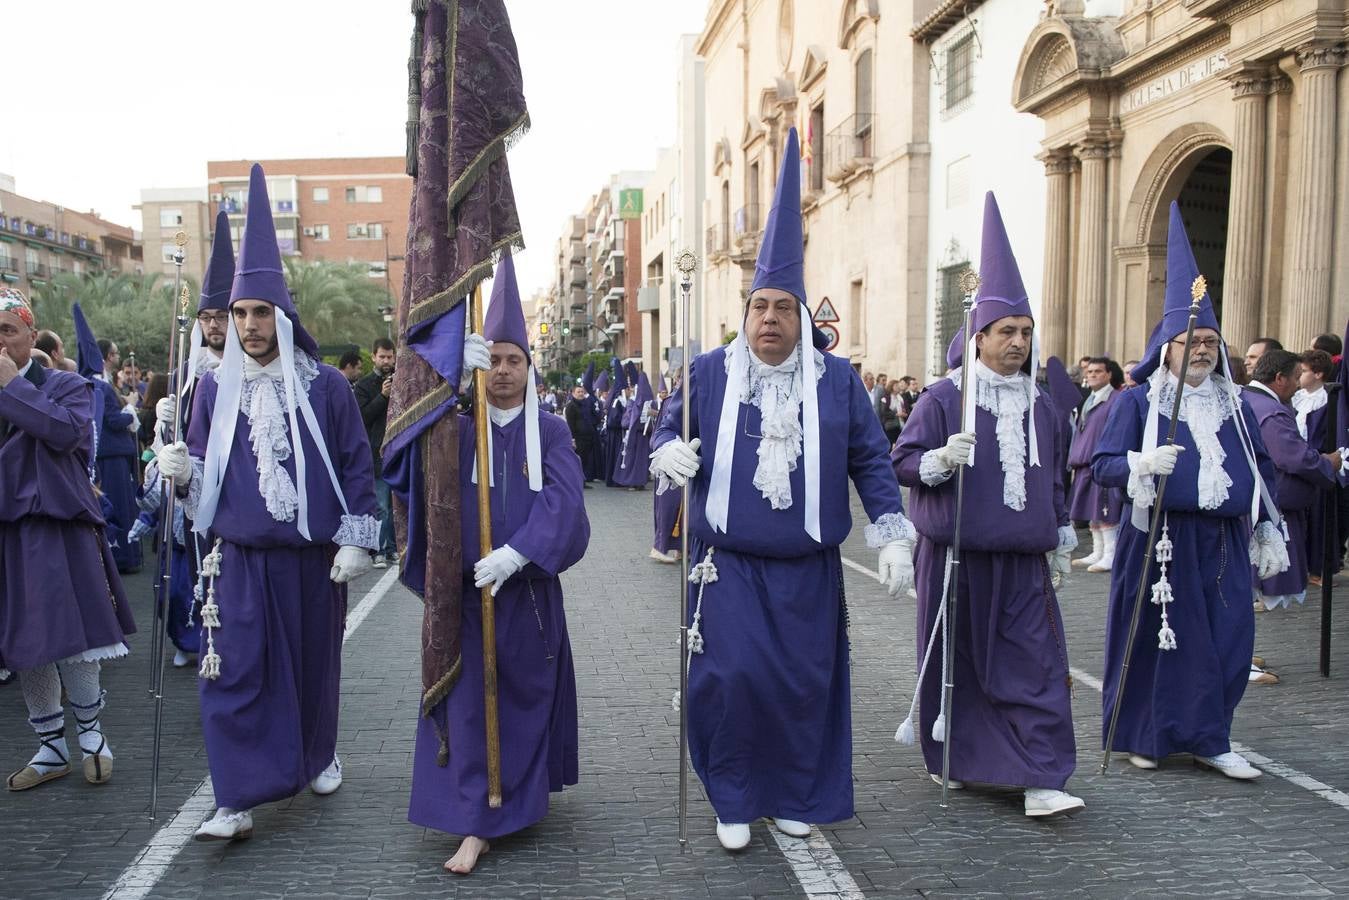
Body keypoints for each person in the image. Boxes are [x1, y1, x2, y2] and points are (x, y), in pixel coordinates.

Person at [651, 128, 915, 850]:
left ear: (803, 318)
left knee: (803, 690)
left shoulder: (837, 382)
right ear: (745, 314)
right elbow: (660, 434)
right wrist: (666, 451)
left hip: (808, 572)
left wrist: (891, 533)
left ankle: (795, 793)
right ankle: (734, 799)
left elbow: (870, 459)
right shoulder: (707, 373)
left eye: (782, 309)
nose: (768, 320)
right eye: (759, 307)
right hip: (726, 567)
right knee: (729, 686)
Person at [155, 164, 379, 840]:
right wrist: (176, 470)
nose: (247, 325)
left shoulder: (326, 387)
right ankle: (236, 798)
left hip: (311, 561)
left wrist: (356, 537)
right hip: (238, 562)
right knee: (233, 674)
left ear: (282, 316)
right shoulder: (212, 391)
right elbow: (199, 469)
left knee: (311, 669)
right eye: (238, 314)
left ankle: (319, 751)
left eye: (259, 313)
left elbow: (354, 464)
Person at [892, 192, 1082, 819]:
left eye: (1026, 333)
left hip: (1023, 566)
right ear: (979, 336)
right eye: (1007, 332)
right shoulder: (943, 399)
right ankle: (964, 761)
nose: (1019, 343)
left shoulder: (1044, 405)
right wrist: (939, 461)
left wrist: (1060, 533)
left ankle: (1042, 775)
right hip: (957, 560)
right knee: (960, 667)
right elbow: (904, 461)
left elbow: (1053, 476)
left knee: (1036, 667)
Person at [405, 253, 587, 875]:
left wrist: (516, 553)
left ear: (529, 368)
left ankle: (512, 800)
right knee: (468, 703)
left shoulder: (553, 431)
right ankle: (476, 820)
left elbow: (565, 504)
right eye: (495, 359)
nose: (504, 371)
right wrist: (452, 384)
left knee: (523, 700)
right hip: (465, 597)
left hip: (526, 596)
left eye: (514, 360)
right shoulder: (456, 429)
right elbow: (413, 476)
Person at [1093, 202, 1286, 781]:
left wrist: (1270, 525)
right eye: (1189, 340)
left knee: (1227, 641)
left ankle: (1211, 738)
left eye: (1209, 340)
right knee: (1165, 646)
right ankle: (1149, 736)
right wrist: (1141, 461)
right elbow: (1102, 464)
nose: (1201, 349)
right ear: (1166, 349)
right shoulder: (1136, 403)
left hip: (1224, 540)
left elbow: (1262, 469)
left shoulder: (1237, 405)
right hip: (1160, 540)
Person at [0, 287, 136, 790]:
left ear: (30, 336)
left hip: (60, 527)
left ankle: (93, 736)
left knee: (74, 636)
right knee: (26, 640)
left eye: (7, 332)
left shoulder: (68, 384)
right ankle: (50, 746)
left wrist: (14, 388)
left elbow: (66, 435)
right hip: (9, 530)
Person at [1247, 350, 1339, 615]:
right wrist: (1327, 464)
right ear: (1279, 378)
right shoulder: (1270, 411)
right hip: (1267, 508)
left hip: (1256, 504)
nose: (1299, 384)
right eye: (1296, 377)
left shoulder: (1249, 399)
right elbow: (1294, 457)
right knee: (1255, 582)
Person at [1069, 358, 1125, 572]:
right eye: (1089, 371)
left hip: (1102, 461)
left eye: (1097, 371)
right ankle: (1098, 551)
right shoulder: (1090, 399)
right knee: (1092, 510)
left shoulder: (1117, 398)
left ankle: (1111, 554)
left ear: (1109, 374)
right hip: (1085, 462)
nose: (1091, 375)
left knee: (1106, 510)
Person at [91, 339, 142, 574]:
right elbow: (112, 419)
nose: (117, 357)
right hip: (111, 455)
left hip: (110, 453)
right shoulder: (100, 384)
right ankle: (122, 557)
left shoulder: (103, 383)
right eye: (114, 354)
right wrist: (130, 411)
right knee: (119, 507)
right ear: (106, 357)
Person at [1295, 349, 1343, 586]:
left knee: (1319, 518)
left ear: (1318, 373)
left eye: (1303, 371)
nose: (1299, 376)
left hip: (1318, 461)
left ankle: (1319, 568)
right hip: (1299, 463)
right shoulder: (1298, 398)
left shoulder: (1328, 399)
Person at [354, 337, 398, 568]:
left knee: (394, 505)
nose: (387, 361)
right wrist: (382, 397)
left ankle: (391, 548)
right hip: (375, 454)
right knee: (380, 505)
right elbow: (361, 418)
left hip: (397, 453)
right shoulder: (364, 386)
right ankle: (378, 550)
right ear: (373, 357)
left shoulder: (402, 380)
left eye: (390, 357)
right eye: (382, 357)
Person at [613, 369, 654, 490]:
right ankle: (634, 481)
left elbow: (627, 421)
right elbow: (628, 419)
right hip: (637, 436)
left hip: (641, 435)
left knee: (639, 460)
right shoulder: (635, 402)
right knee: (635, 459)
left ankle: (639, 481)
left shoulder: (644, 402)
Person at [565, 365, 603, 484]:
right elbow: (570, 424)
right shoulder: (571, 406)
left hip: (588, 437)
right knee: (579, 459)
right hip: (578, 438)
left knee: (586, 460)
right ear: (573, 393)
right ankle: (577, 481)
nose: (581, 393)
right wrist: (572, 439)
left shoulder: (586, 404)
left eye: (582, 391)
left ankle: (583, 480)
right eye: (578, 392)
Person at [602, 360, 627, 487]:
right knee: (616, 456)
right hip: (616, 433)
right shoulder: (618, 401)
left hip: (616, 434)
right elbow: (614, 419)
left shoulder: (617, 401)